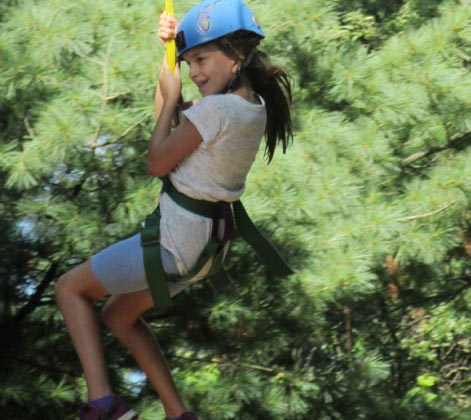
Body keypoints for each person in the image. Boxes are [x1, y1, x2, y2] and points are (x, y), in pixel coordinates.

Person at [54, 1, 294, 419]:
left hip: (176, 243)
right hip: (205, 249)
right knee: (118, 315)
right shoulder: (249, 108)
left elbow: (157, 160)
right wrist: (170, 57)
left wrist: (170, 101)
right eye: (189, 63)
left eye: (202, 59)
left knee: (70, 289)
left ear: (237, 55)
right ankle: (177, 413)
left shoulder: (217, 110)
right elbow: (170, 119)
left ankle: (103, 403)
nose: (196, 72)